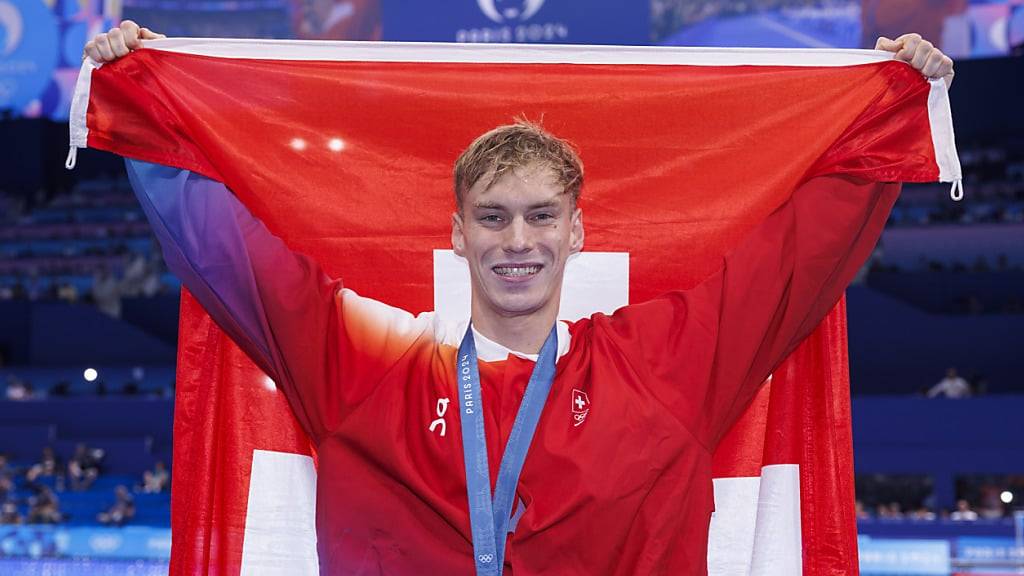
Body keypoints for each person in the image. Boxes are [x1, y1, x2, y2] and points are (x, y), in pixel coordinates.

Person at [85, 22, 954, 575]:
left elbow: (795, 258)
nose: (517, 240)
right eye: (492, 218)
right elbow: (236, 260)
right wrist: (147, 100)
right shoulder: (366, 372)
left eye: (542, 216)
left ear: (577, 231)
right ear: (458, 234)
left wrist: (885, 110)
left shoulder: (659, 367)